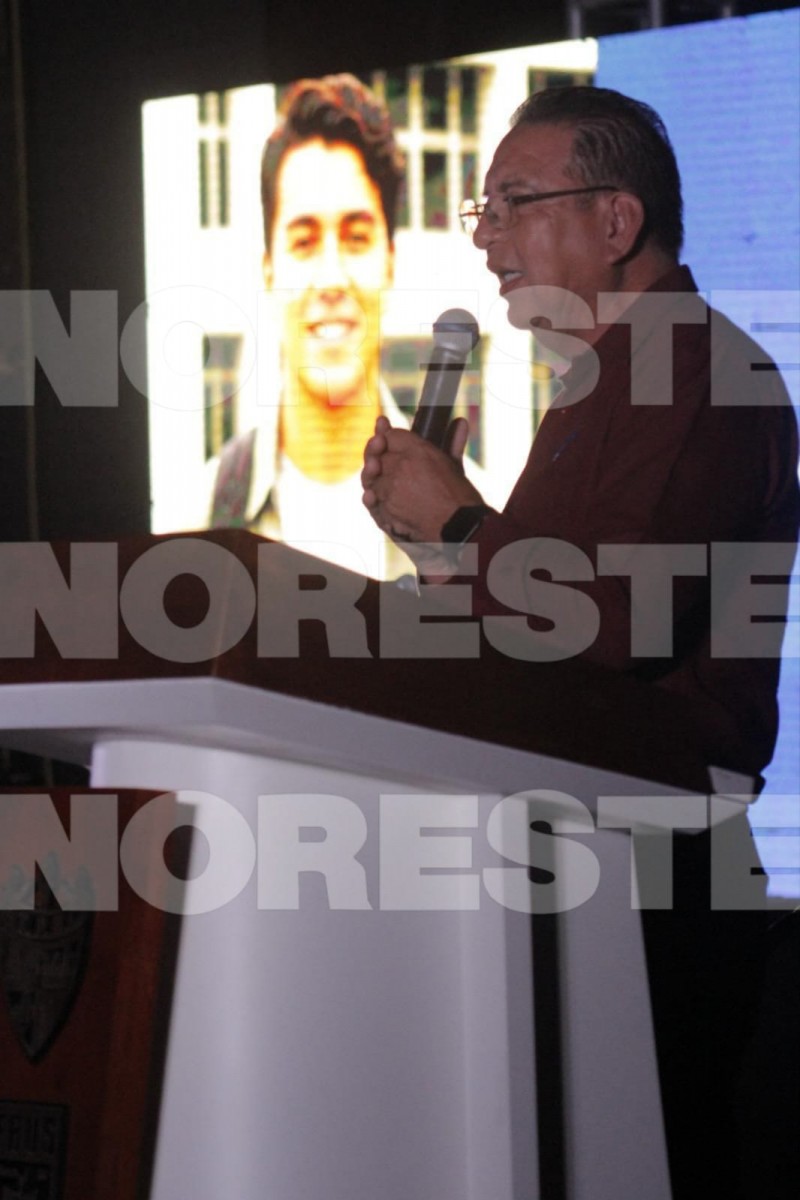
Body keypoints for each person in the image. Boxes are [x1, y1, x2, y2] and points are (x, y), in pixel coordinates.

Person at [361, 86, 799, 1196]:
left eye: (514, 202)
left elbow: (617, 617)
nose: (487, 238)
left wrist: (465, 521)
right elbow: (536, 633)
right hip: (567, 840)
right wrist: (440, 549)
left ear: (615, 219)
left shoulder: (694, 368)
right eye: (484, 209)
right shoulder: (594, 389)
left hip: (657, 856)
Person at [208, 73, 490, 580]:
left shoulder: (482, 519)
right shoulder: (195, 511)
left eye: (356, 237)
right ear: (268, 270)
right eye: (304, 242)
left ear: (389, 261)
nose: (332, 279)